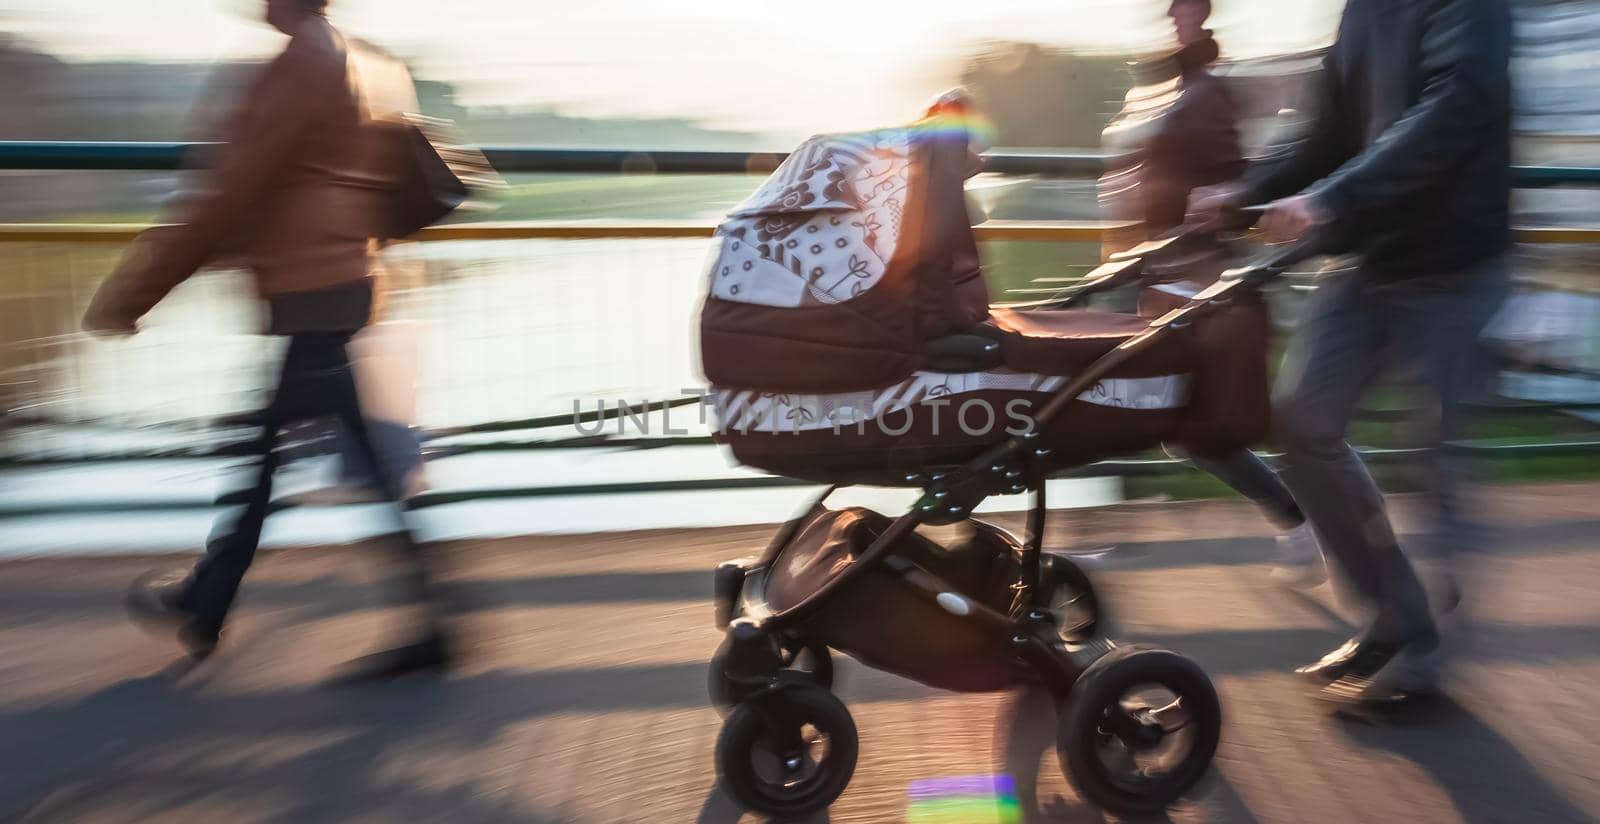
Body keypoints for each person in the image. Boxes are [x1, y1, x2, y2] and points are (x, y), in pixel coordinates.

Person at [83, 0, 454, 679]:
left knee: (272, 456)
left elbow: (226, 196)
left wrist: (129, 297)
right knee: (279, 455)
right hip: (342, 279)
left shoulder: (301, 66)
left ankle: (427, 621)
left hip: (312, 291)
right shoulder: (356, 58)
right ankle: (211, 598)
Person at [1191, 0, 1512, 703]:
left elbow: (1456, 106)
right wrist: (1245, 192)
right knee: (1302, 422)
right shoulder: (1363, 9)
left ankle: (1427, 666)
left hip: (1454, 266)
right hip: (1368, 257)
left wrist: (1332, 199)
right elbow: (1326, 131)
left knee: (1431, 457)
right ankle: (1392, 618)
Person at [1101, 0, 1326, 585]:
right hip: (1166, 279)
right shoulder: (1174, 83)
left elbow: (1230, 182)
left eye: (1185, 7)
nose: (1175, 14)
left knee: (1176, 417)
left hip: (1198, 286)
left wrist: (1203, 210)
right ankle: (1300, 515)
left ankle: (1305, 515)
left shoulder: (1205, 89)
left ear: (1201, 11)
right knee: (1173, 417)